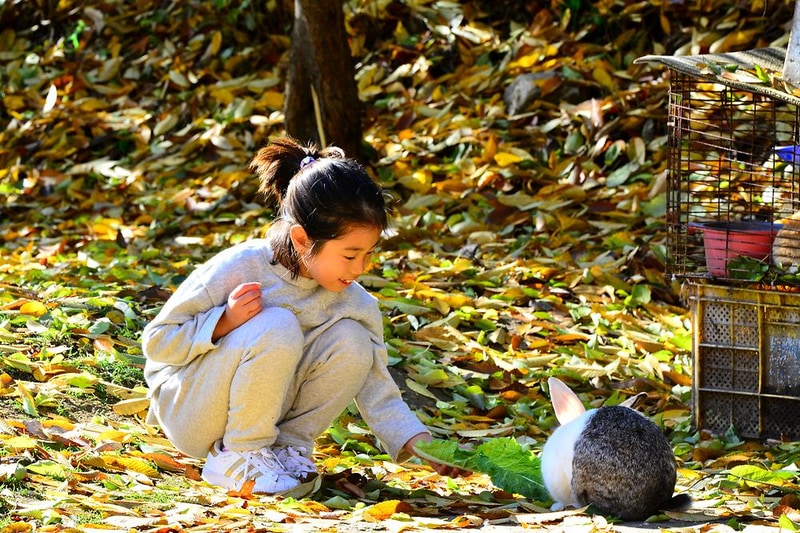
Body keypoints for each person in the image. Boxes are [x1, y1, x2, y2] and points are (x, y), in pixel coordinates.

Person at [141, 137, 466, 494]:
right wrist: (225, 322)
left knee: (354, 341)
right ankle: (237, 455)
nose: (359, 268)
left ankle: (286, 448)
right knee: (278, 323)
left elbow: (374, 383)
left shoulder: (353, 302)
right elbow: (158, 343)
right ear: (300, 239)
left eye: (368, 254)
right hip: (193, 413)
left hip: (270, 420)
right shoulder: (241, 267)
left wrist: (419, 441)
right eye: (349, 255)